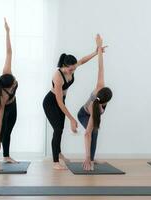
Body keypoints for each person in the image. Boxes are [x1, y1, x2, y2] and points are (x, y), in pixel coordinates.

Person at [43, 40, 107, 170]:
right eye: (70, 69)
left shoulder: (72, 66)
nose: (72, 71)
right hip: (51, 102)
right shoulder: (58, 77)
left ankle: (59, 153)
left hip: (61, 101)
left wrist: (96, 52)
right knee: (57, 129)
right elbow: (59, 102)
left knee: (60, 127)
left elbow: (82, 60)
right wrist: (72, 119)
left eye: (74, 68)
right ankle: (55, 162)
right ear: (64, 66)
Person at [77, 34, 112, 171]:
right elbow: (86, 134)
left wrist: (99, 49)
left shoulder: (100, 86)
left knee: (95, 131)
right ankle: (89, 158)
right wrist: (85, 157)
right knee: (92, 132)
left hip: (92, 112)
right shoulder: (94, 108)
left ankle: (92, 158)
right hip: (83, 114)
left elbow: (100, 68)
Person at [0, 18, 18, 171]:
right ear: (6, 90)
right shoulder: (0, 99)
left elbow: (9, 52)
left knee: (10, 129)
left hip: (13, 105)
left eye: (14, 81)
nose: (15, 83)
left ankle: (6, 156)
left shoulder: (7, 73)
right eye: (13, 84)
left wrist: (7, 32)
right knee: (0, 132)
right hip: (5, 109)